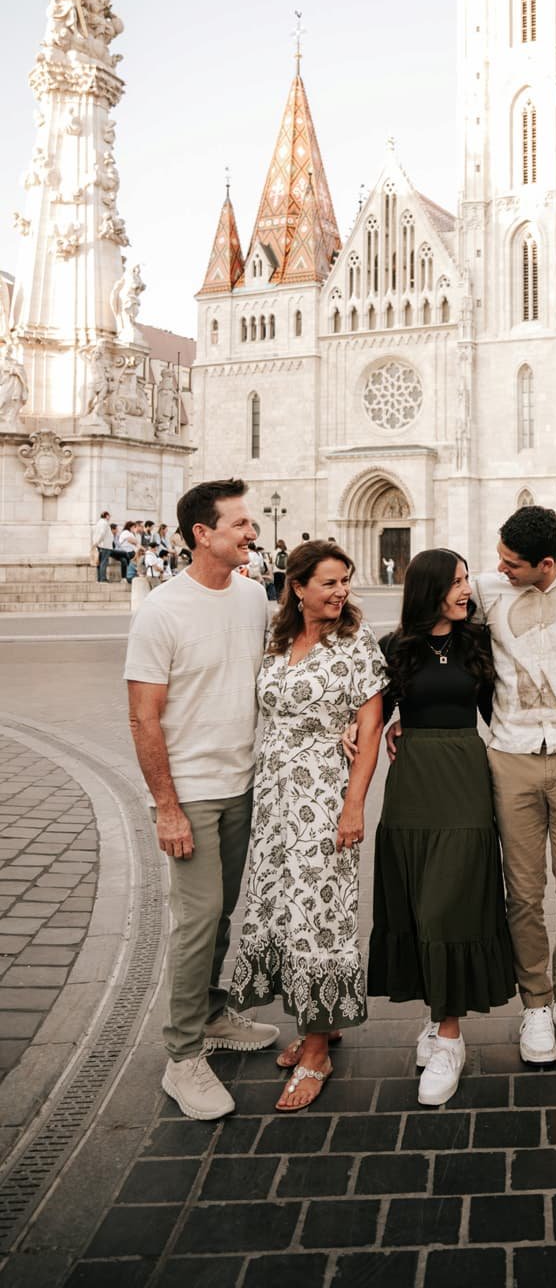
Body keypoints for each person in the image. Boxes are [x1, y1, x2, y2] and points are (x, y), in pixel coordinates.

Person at [388, 506, 556, 1065]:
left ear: (548, 563)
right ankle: (536, 1004)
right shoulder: (485, 588)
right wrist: (400, 713)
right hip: (509, 757)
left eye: (511, 562)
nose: (496, 570)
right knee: (523, 892)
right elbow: (428, 627)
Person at [124, 478, 279, 1121]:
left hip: (243, 783)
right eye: (241, 524)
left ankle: (213, 1014)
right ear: (202, 535)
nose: (253, 532)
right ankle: (182, 1057)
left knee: (220, 913)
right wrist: (166, 806)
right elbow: (142, 718)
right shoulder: (161, 610)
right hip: (191, 793)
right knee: (197, 920)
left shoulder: (251, 597)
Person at [229, 540, 386, 1111]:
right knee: (280, 906)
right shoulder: (277, 641)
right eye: (329, 582)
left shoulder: (356, 644)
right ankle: (321, 1019)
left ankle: (317, 1047)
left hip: (322, 798)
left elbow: (368, 732)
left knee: (319, 913)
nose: (342, 591)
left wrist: (353, 806)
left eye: (345, 581)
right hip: (274, 799)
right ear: (297, 587)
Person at [368, 549, 514, 1106]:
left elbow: (498, 712)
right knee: (418, 900)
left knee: (450, 904)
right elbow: (369, 716)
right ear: (430, 588)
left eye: (467, 580)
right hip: (412, 788)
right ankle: (435, 1016)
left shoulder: (478, 642)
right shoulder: (395, 648)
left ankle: (450, 1035)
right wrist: (370, 734)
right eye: (456, 582)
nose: (466, 589)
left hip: (464, 780)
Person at [93, 509, 126, 582]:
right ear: (106, 516)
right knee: (103, 562)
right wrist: (97, 542)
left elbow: (96, 534)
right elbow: (102, 534)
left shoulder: (98, 523)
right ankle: (103, 578)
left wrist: (96, 543)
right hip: (105, 545)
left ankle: (99, 578)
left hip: (101, 545)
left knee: (100, 562)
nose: (110, 517)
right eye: (109, 516)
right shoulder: (104, 523)